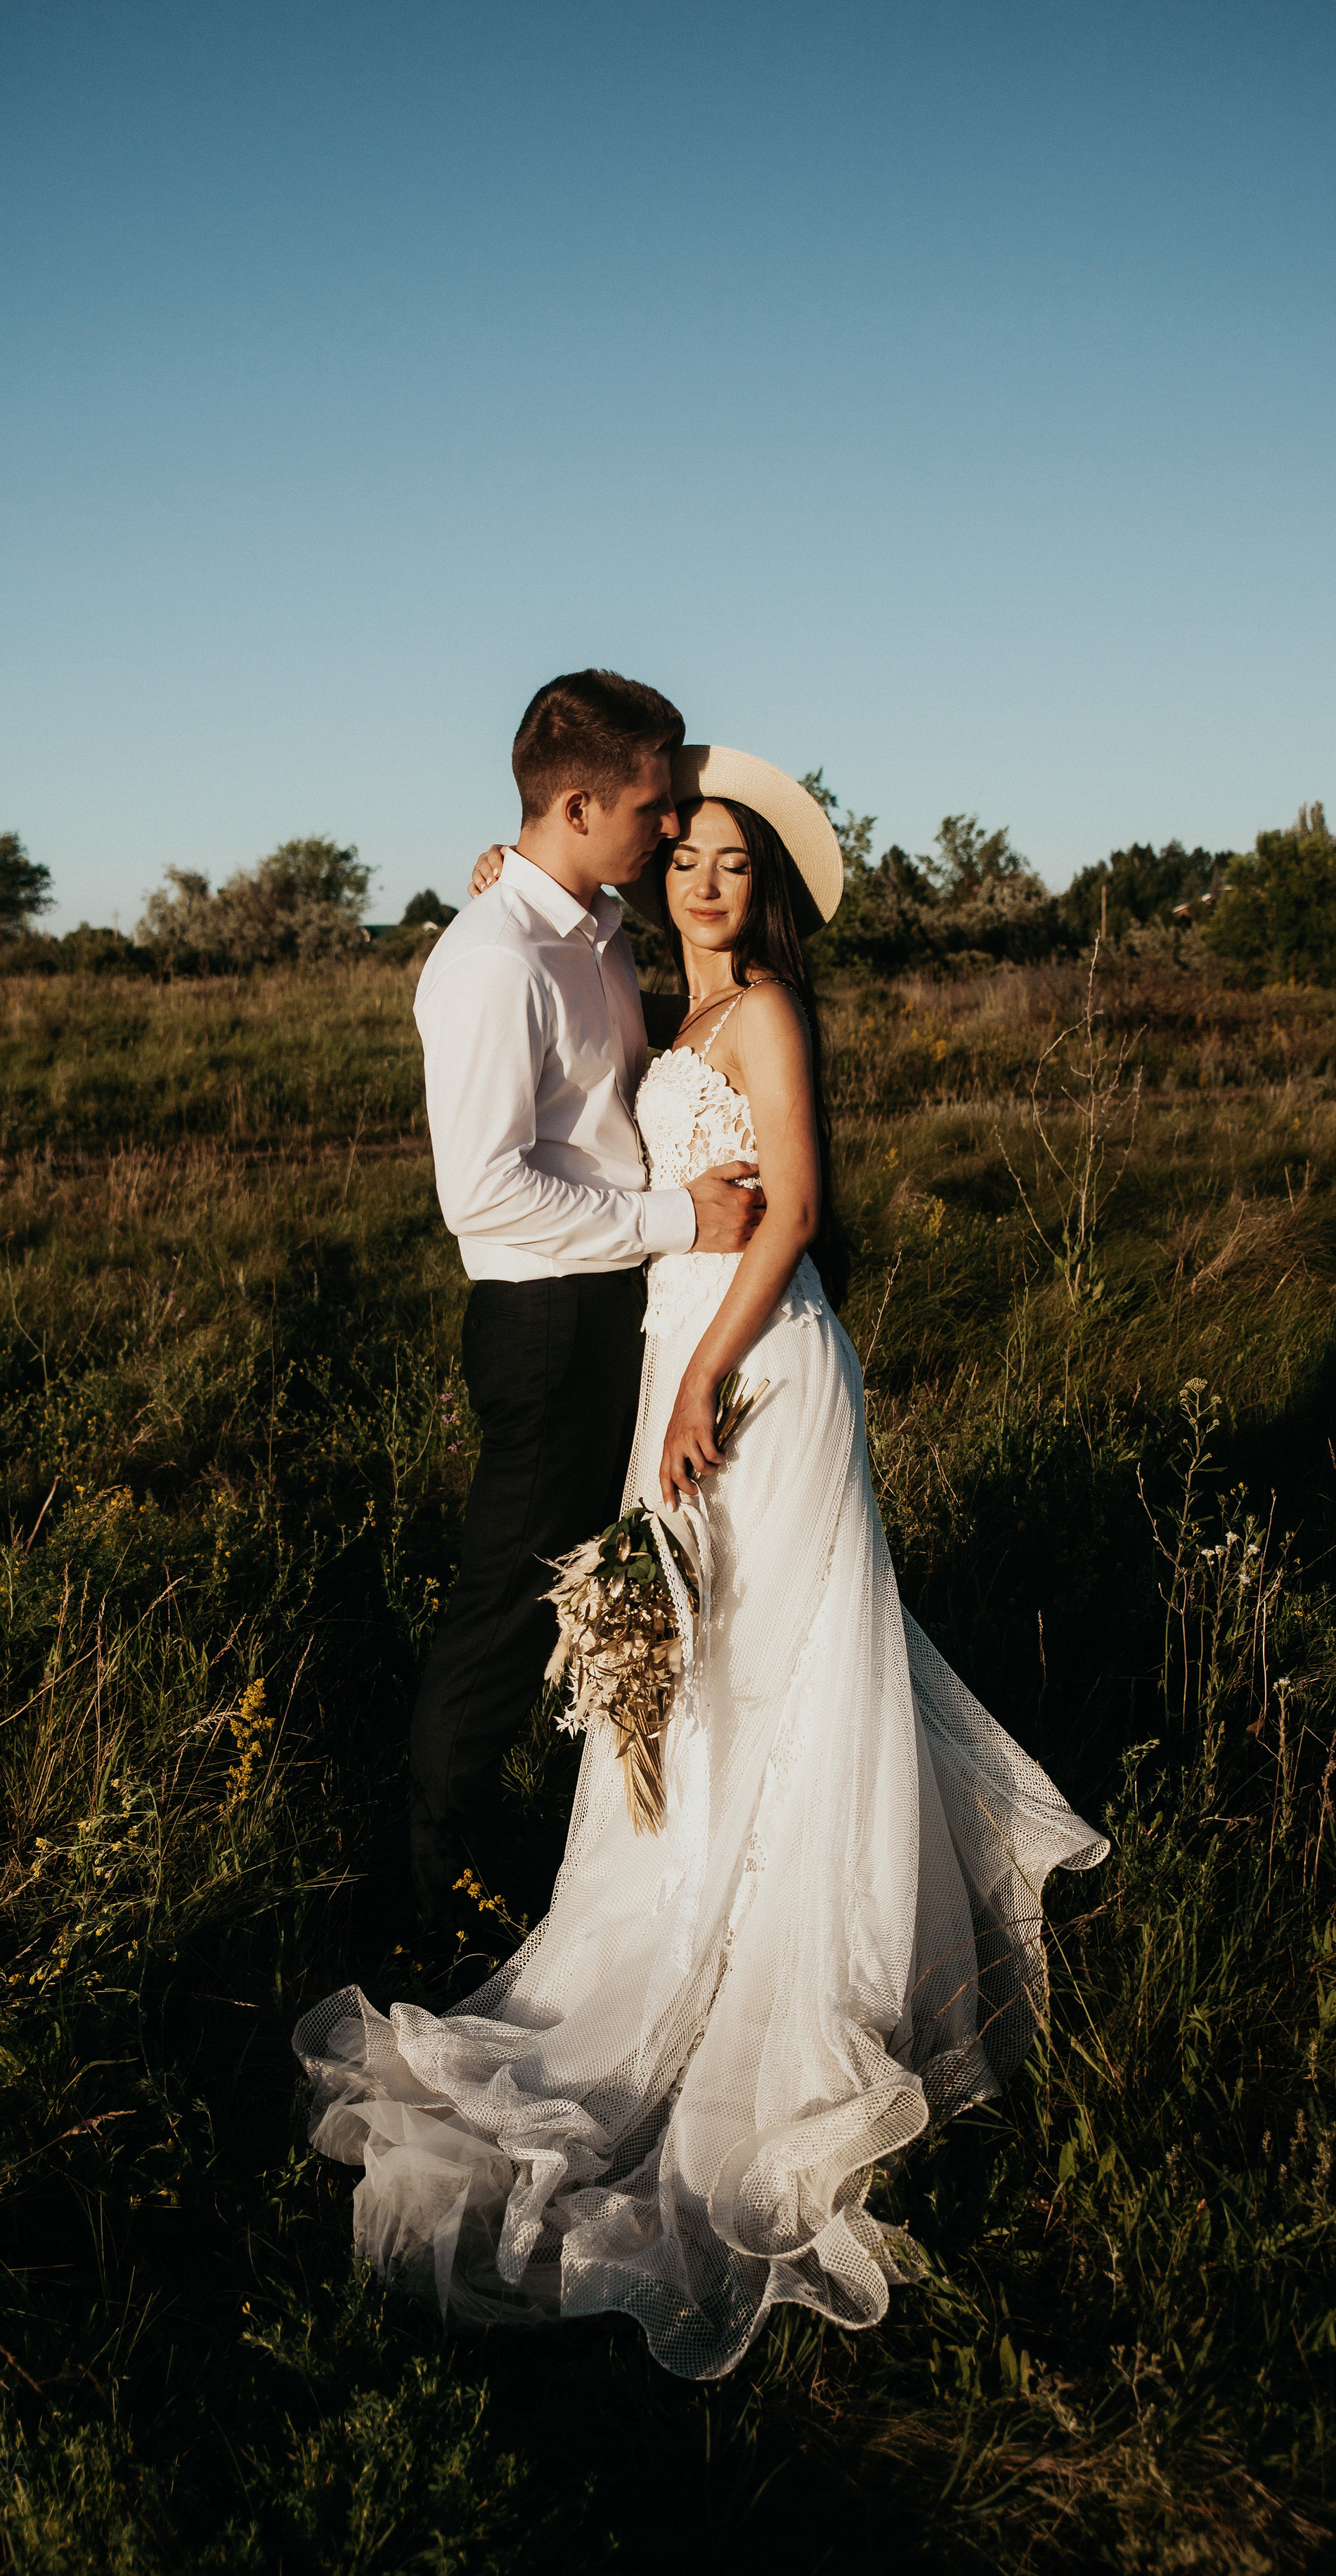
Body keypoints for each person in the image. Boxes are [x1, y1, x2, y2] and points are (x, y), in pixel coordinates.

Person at [297, 746, 1107, 2383]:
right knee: (701, 1671)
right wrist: (500, 900)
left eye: (735, 863)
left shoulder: (763, 1020)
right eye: (687, 857)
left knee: (783, 1669)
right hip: (679, 1349)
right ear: (648, 868)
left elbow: (791, 1210)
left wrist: (693, 1379)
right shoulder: (647, 1000)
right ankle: (674, 1920)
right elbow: (560, 945)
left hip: (748, 1367)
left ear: (774, 892)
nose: (705, 883)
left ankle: (796, 1976)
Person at [401, 672, 764, 1941]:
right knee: (508, 1603)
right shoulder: (492, 961)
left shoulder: (590, 926)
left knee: (597, 1582)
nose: (671, 829)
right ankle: (436, 1880)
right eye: (654, 808)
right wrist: (679, 1221)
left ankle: (577, 1842)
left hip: (615, 1310)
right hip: (546, 1321)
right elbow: (483, 1190)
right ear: (575, 801)